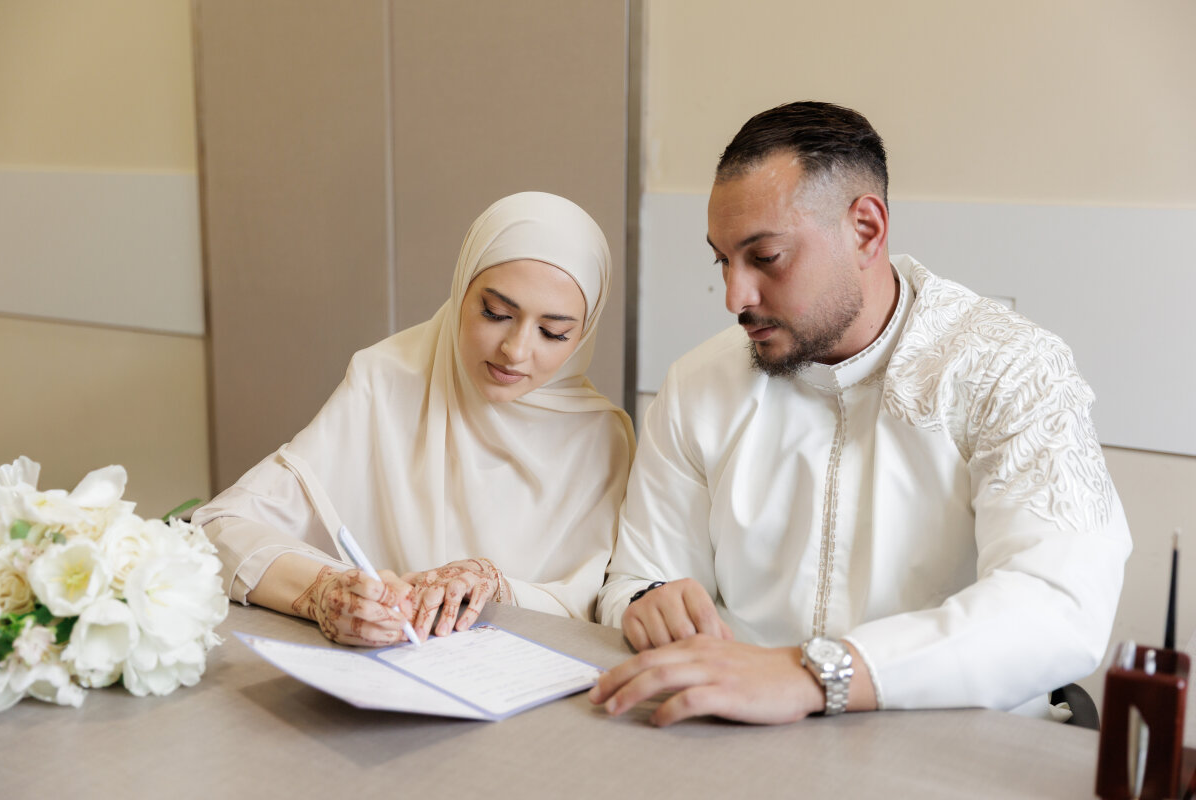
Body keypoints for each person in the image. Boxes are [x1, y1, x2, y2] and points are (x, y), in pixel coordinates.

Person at [590, 102, 1132, 726]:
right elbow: (636, 577)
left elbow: (1058, 605)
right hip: (739, 740)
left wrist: (816, 674)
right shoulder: (697, 383)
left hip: (952, 748)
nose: (735, 296)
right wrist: (646, 599)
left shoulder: (1013, 370)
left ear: (866, 230)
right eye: (722, 260)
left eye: (765, 258)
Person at [194, 191, 634, 646]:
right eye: (496, 313)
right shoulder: (385, 382)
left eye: (553, 332)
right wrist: (324, 591)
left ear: (584, 335)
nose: (516, 351)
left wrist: (494, 586)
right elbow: (218, 529)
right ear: (461, 288)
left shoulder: (601, 437)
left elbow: (594, 606)